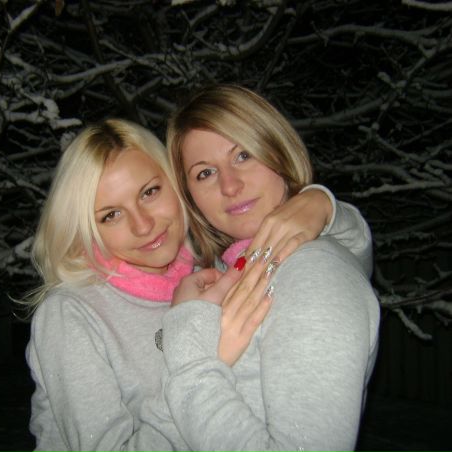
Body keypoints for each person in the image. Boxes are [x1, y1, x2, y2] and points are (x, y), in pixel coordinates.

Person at [24, 118, 372, 451]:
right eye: (110, 215)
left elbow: (344, 268)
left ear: (178, 188)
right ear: (85, 228)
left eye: (150, 192)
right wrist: (202, 360)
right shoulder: (71, 314)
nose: (143, 225)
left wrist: (324, 206)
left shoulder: (206, 272)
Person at [160, 84, 380, 452]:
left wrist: (188, 355)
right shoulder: (225, 270)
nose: (230, 185)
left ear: (278, 149)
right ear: (190, 197)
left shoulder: (312, 273)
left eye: (243, 154)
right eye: (205, 173)